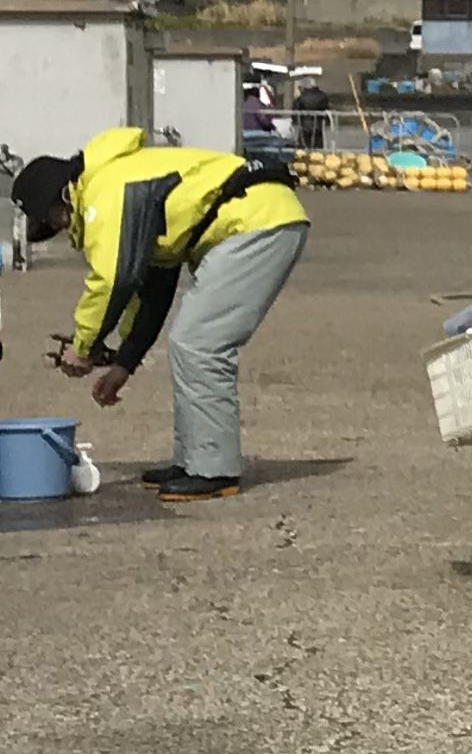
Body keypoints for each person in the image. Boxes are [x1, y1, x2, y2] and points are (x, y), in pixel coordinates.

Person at [17, 128, 312, 500]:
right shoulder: (122, 182)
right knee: (189, 343)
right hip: (258, 214)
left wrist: (83, 346)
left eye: (53, 220)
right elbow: (153, 289)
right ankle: (194, 461)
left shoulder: (106, 193)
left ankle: (214, 471)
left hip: (258, 221)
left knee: (198, 344)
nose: (59, 228)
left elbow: (113, 280)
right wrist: (124, 363)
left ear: (61, 197)